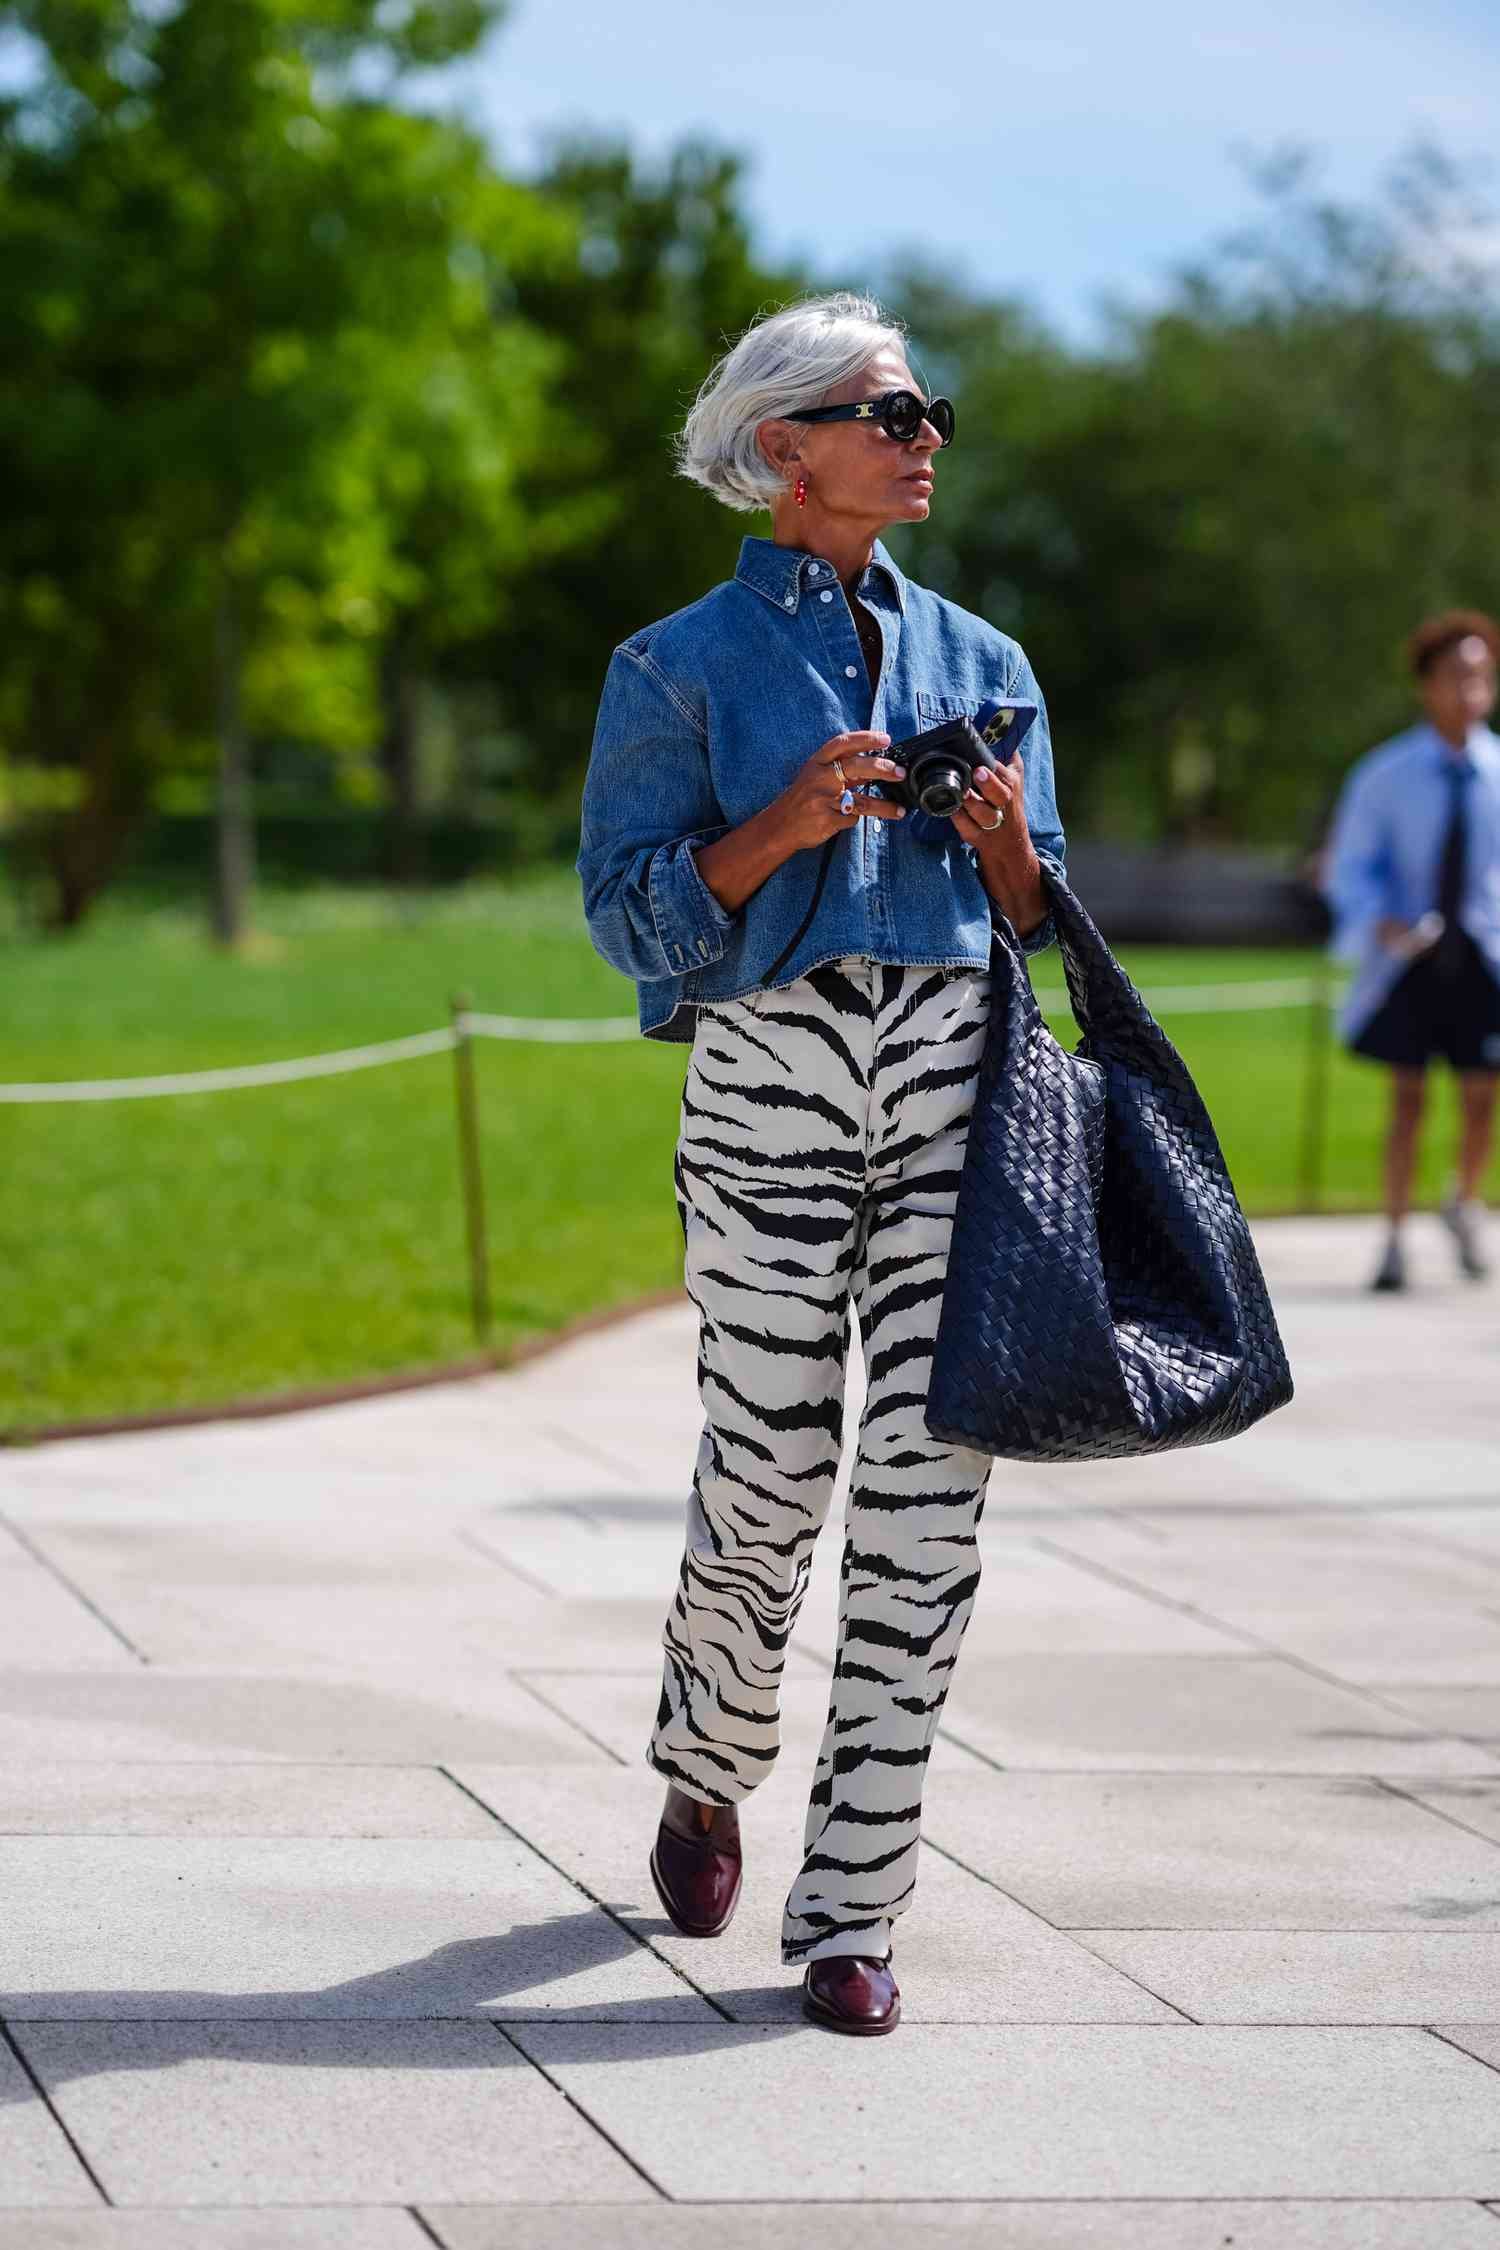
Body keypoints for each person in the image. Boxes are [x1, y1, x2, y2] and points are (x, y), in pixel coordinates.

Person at [576, 292, 1065, 2036]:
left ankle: (856, 1907)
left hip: (950, 1067)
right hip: (769, 1066)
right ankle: (706, 1760)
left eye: (934, 415)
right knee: (771, 1469)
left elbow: (1044, 923)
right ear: (786, 448)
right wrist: (781, 825)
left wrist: (1008, 851)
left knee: (934, 1489)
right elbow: (628, 916)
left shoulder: (989, 665)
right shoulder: (674, 668)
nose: (926, 437)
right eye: (892, 412)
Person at [1322, 610, 1500, 1291]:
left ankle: (1462, 1197)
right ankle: (1394, 1237)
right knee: (1408, 1098)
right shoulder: (1386, 775)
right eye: (1457, 675)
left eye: (1481, 675)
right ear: (1427, 685)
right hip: (1413, 958)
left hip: (1482, 958)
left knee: (1483, 1096)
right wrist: (1381, 923)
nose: (1471, 688)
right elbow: (1349, 867)